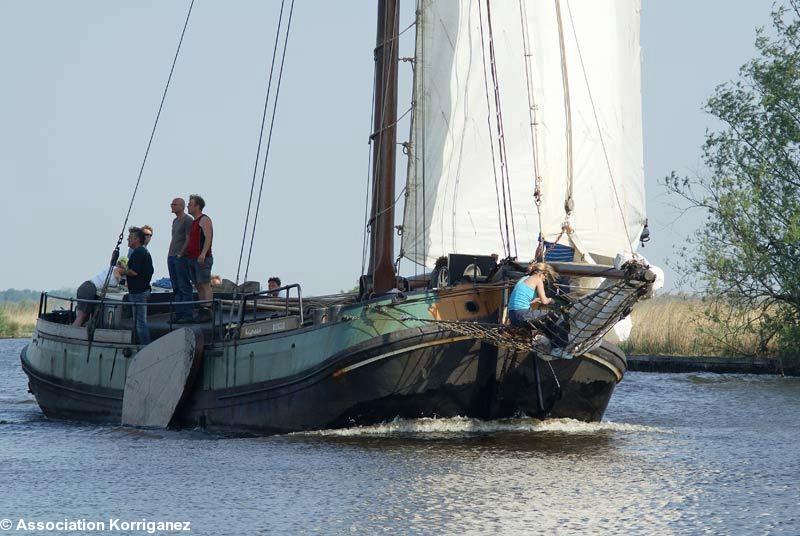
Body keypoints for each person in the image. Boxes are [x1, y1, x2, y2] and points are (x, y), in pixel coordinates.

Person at [184, 194, 214, 322]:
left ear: (197, 206)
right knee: (198, 284)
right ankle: (203, 308)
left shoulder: (204, 219)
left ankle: (208, 308)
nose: (188, 206)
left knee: (205, 283)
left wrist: (203, 253)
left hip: (202, 258)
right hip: (192, 258)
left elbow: (208, 237)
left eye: (190, 204)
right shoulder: (194, 222)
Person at [122, 227, 154, 344]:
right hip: (140, 291)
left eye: (130, 237)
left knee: (140, 322)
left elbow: (134, 272)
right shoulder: (142, 252)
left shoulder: (138, 252)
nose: (128, 239)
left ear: (136, 239)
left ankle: (145, 345)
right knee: (138, 321)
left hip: (139, 292)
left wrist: (122, 271)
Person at [167, 198, 194, 322]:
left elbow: (188, 238)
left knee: (184, 286)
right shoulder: (175, 221)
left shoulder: (188, 220)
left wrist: (181, 253)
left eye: (175, 204)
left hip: (181, 257)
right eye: (172, 204)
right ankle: (178, 314)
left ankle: (187, 314)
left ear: (182, 206)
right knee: (176, 287)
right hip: (172, 256)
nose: (172, 206)